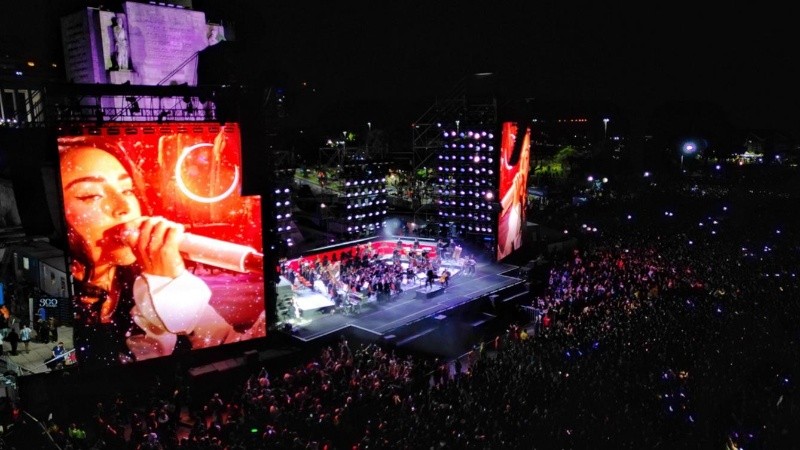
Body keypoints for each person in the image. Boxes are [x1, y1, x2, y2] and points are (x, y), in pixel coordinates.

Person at [58, 137, 264, 367]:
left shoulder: (146, 281)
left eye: (127, 190)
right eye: (91, 195)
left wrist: (169, 287)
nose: (125, 208)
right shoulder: (59, 311)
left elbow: (226, 345)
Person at [497, 122, 531, 260]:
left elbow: (512, 244)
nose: (523, 164)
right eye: (522, 157)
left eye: (526, 157)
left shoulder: (520, 197)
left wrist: (517, 203)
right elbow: (504, 248)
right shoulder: (513, 192)